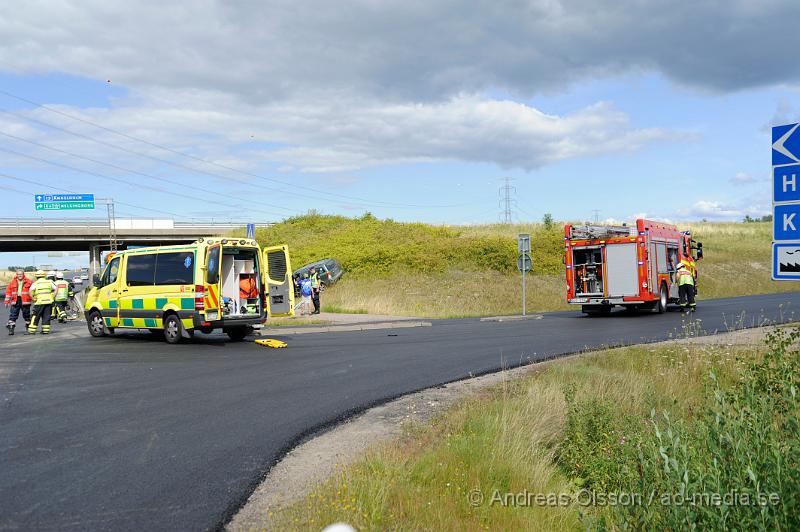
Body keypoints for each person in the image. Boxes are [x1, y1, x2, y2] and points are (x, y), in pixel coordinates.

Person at [28, 270, 57, 334]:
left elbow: (30, 291)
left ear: (36, 276)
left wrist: (33, 298)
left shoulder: (35, 283)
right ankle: (45, 330)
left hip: (39, 302)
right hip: (49, 302)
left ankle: (32, 330)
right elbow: (56, 289)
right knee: (46, 316)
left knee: (35, 316)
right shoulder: (49, 282)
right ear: (44, 276)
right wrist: (53, 296)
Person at [4, 269, 32, 335]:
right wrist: (6, 302)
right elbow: (8, 293)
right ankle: (11, 329)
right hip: (15, 300)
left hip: (25, 301)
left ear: (23, 274)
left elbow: (33, 291)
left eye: (21, 274)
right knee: (13, 315)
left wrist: (34, 299)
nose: (20, 275)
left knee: (26, 315)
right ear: (16, 275)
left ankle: (29, 328)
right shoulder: (12, 282)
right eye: (18, 274)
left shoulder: (29, 282)